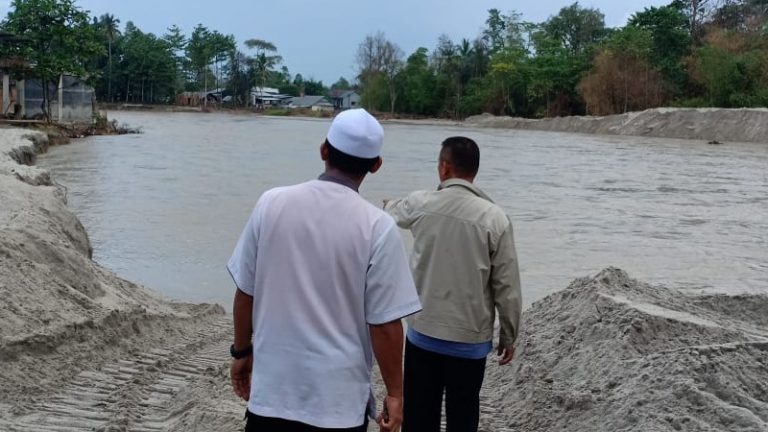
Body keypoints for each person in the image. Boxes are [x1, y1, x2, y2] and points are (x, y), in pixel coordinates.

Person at [228, 108, 421, 432]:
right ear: (376, 165)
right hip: (338, 407)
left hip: (272, 396)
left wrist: (242, 352)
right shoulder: (378, 227)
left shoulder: (271, 204)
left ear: (323, 151)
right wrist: (395, 393)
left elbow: (246, 291)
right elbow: (386, 325)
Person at [383, 136, 522, 432]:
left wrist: (387, 204)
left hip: (423, 336)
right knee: (463, 417)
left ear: (445, 167)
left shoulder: (422, 203)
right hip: (470, 344)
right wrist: (509, 335)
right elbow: (507, 286)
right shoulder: (496, 218)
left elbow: (392, 212)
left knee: (419, 418)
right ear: (475, 170)